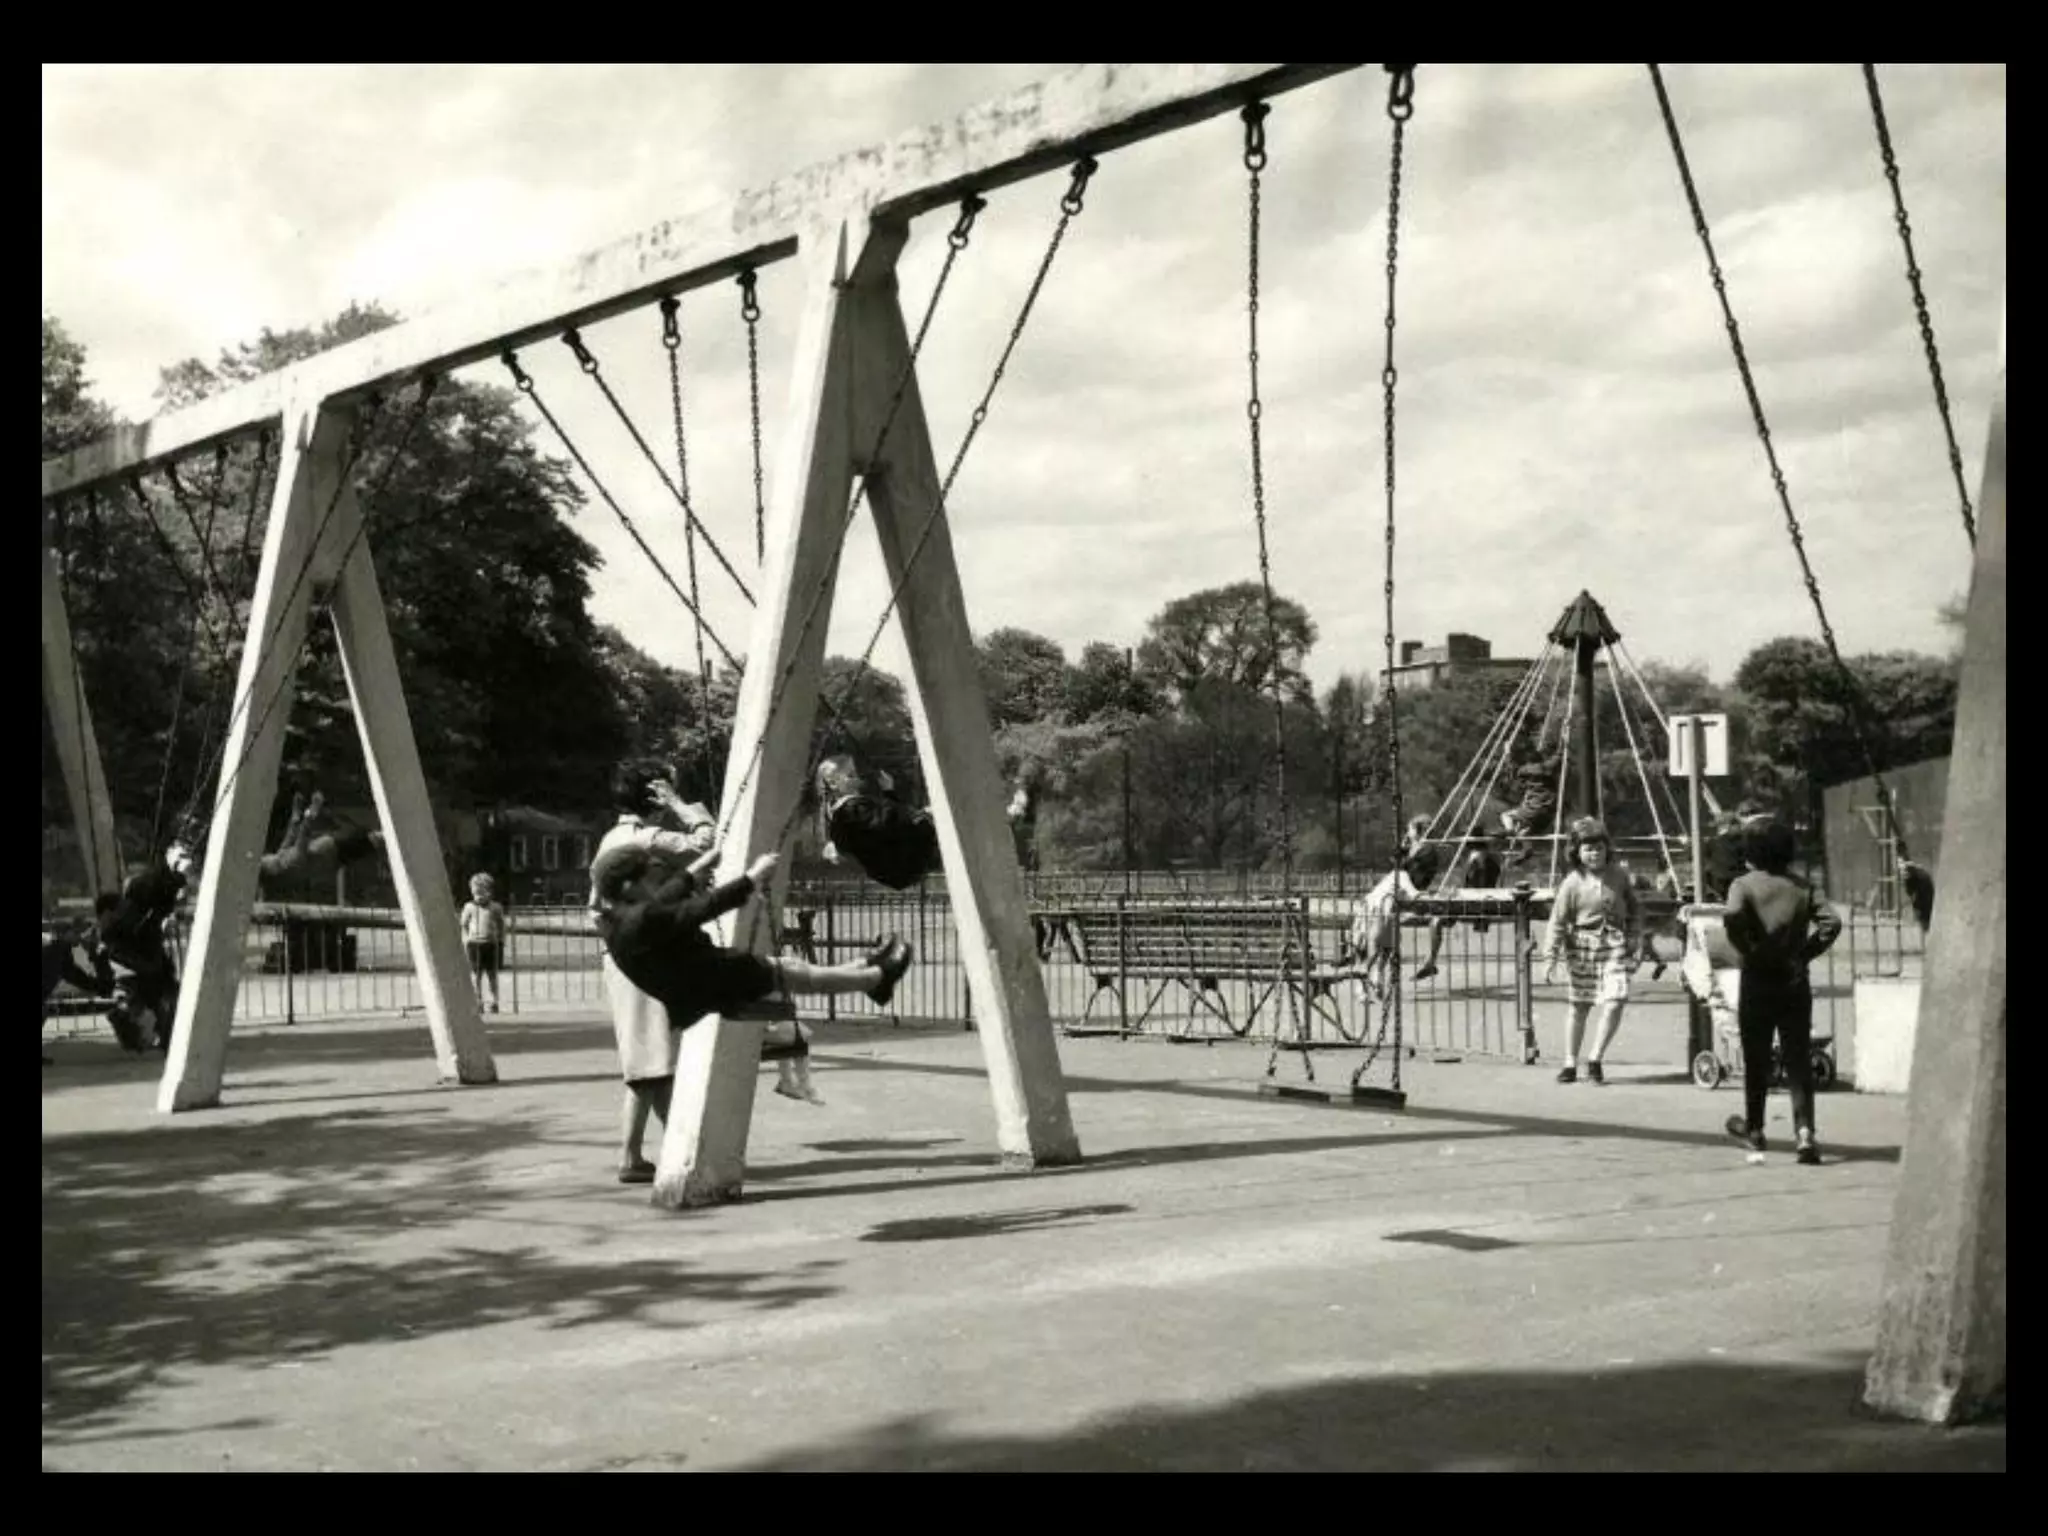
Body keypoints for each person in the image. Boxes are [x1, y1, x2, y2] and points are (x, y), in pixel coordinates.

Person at [591, 843, 913, 1178]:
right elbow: (702, 908)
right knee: (796, 976)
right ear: (630, 886)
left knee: (789, 967)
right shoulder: (640, 922)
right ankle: (875, 979)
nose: (656, 883)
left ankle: (865, 966)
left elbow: (664, 903)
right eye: (651, 877)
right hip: (717, 978)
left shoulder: (618, 922)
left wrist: (698, 867)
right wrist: (752, 879)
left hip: (704, 984)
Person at [591, 758, 727, 1182]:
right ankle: (669, 1150)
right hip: (642, 952)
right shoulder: (647, 837)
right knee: (653, 1061)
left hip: (626, 949)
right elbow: (709, 840)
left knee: (650, 1061)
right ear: (654, 795)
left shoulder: (615, 836)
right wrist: (682, 803)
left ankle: (647, 1152)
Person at [1720, 817, 1843, 1165]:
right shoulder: (1803, 887)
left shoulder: (1742, 885)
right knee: (1797, 1056)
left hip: (1757, 980)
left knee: (1757, 1057)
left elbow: (1731, 918)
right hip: (1794, 980)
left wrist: (1749, 948)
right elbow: (1832, 923)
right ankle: (1805, 1134)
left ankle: (1756, 1129)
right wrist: (1803, 956)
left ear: (1751, 853)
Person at [1542, 817, 1642, 1085]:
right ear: (1577, 852)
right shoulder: (1571, 883)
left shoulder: (1619, 876)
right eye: (1587, 849)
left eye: (1598, 848)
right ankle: (1570, 1062)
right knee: (1580, 1006)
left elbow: (1634, 909)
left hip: (1614, 946)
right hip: (1582, 949)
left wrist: (1635, 936)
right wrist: (1550, 957)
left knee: (1615, 1001)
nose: (1594, 854)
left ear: (1607, 849)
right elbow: (1558, 921)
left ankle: (1595, 1058)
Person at [95, 842, 194, 1055]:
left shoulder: (138, 909)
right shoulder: (131, 909)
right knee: (162, 997)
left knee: (167, 998)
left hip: (144, 960)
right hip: (138, 963)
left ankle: (163, 1037)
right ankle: (157, 1035)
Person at [1348, 818, 1443, 999]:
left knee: (1386, 946)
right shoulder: (1401, 872)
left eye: (1410, 829)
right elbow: (1411, 887)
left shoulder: (1421, 854)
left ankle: (1375, 978)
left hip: (1393, 903)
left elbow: (1410, 875)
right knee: (1377, 946)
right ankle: (1365, 982)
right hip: (1382, 907)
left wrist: (1406, 851)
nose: (1407, 833)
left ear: (1418, 830)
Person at [817, 753, 940, 891]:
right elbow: (889, 823)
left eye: (855, 773)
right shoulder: (851, 810)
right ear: (833, 783)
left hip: (890, 869)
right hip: (901, 862)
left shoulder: (840, 813)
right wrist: (889, 791)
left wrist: (889, 793)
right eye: (850, 775)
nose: (857, 778)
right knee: (937, 816)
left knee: (929, 818)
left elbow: (889, 820)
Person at [256, 790, 385, 893]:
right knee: (368, 839)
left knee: (366, 837)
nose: (265, 857)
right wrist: (310, 814)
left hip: (330, 848)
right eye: (264, 861)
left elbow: (290, 836)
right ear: (271, 871)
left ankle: (385, 839)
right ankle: (389, 838)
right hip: (333, 851)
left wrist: (296, 812)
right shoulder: (288, 866)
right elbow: (301, 846)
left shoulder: (280, 857)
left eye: (263, 858)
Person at [42, 918, 115, 1065]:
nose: (80, 936)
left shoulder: (61, 951)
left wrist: (97, 987)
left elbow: (74, 975)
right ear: (63, 935)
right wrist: (98, 987)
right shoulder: (56, 949)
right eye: (75, 933)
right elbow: (74, 975)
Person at [460, 873, 507, 1014]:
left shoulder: (495, 907)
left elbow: (501, 925)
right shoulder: (469, 907)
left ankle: (494, 1001)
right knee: (476, 975)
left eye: (482, 892)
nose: (479, 896)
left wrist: (501, 940)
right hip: (475, 944)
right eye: (476, 893)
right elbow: (464, 924)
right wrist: (466, 939)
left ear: (489, 892)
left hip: (491, 944)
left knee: (492, 975)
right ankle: (478, 1001)